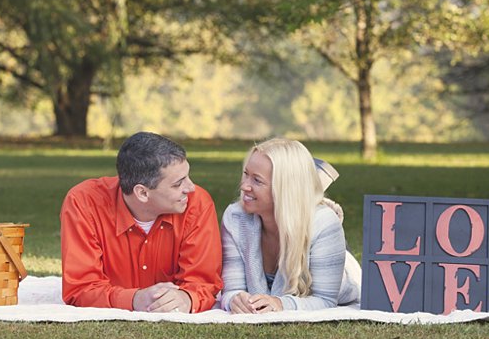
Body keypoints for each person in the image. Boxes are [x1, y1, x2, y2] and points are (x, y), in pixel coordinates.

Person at [60, 132, 222, 313]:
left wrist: (186, 298)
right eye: (178, 184)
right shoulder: (84, 202)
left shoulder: (197, 203)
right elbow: (81, 288)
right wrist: (135, 299)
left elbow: (203, 281)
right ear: (142, 193)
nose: (191, 188)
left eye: (188, 176)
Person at [220, 137, 361, 313]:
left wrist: (280, 304)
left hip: (340, 272)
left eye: (257, 180)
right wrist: (234, 299)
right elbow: (231, 289)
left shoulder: (324, 224)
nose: (244, 186)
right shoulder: (235, 217)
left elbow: (325, 300)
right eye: (246, 174)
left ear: (284, 188)